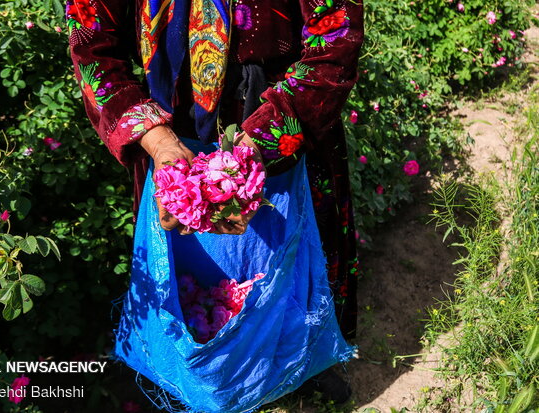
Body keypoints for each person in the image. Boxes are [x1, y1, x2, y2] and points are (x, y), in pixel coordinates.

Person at [66, 0, 363, 403]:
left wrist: (261, 144)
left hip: (282, 114)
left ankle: (300, 362)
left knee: (293, 263)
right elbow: (93, 49)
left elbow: (335, 37)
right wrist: (160, 144)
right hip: (169, 127)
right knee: (190, 278)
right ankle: (196, 378)